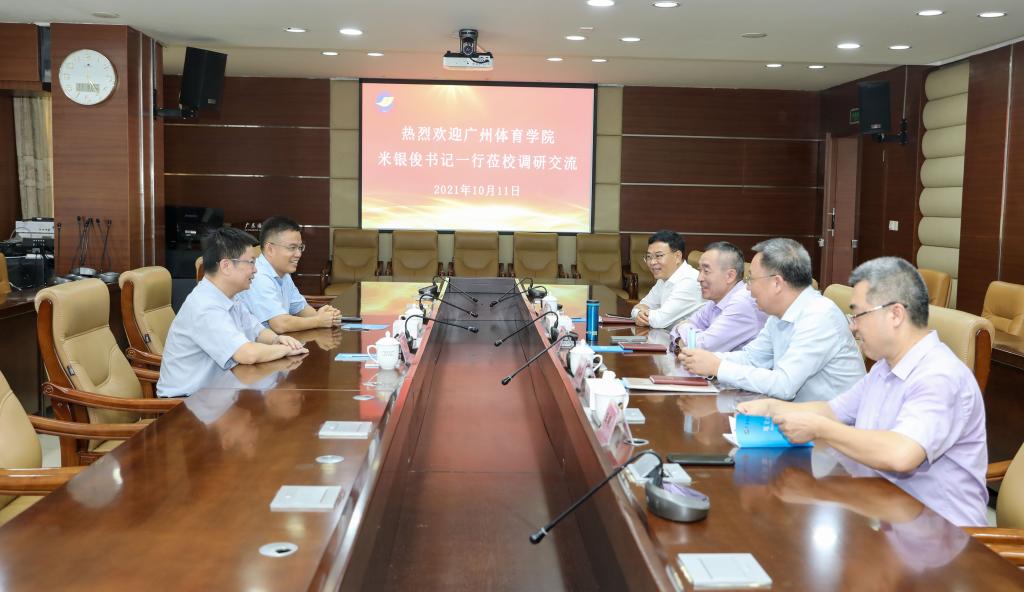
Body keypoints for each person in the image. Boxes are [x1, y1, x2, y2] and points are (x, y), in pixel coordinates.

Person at [738, 257, 988, 526]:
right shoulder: (884, 367)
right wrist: (771, 407)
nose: (852, 325)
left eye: (858, 315)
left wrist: (820, 430)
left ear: (895, 314)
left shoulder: (940, 376)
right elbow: (833, 410)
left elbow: (901, 454)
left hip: (942, 535)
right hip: (881, 509)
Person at [679, 238, 863, 402]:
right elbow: (753, 358)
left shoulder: (819, 316)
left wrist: (718, 367)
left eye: (751, 279)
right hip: (795, 415)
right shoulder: (779, 314)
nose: (748, 288)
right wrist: (706, 359)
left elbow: (784, 385)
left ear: (776, 283)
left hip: (831, 424)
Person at [156, 227, 308, 398]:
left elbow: (257, 331)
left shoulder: (229, 297)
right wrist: (285, 350)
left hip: (217, 394)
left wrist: (276, 339)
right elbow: (247, 354)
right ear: (226, 266)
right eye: (251, 262)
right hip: (186, 403)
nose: (255, 270)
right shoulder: (205, 306)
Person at [239, 216, 342, 331]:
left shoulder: (283, 273)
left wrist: (326, 316)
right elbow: (280, 324)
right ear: (270, 249)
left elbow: (300, 308)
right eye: (292, 248)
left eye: (300, 247)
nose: (298, 254)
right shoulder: (257, 276)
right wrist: (318, 321)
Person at [669, 241, 766, 353]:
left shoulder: (743, 303)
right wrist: (683, 337)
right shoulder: (716, 299)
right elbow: (680, 330)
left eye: (706, 271)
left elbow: (703, 347)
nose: (699, 278)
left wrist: (682, 330)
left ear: (730, 276)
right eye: (699, 270)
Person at [630, 230, 704, 328]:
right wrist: (638, 313)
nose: (652, 262)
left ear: (677, 256)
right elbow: (641, 306)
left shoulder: (690, 281)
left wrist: (641, 314)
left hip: (687, 337)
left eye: (659, 256)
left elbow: (659, 320)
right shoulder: (664, 278)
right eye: (649, 256)